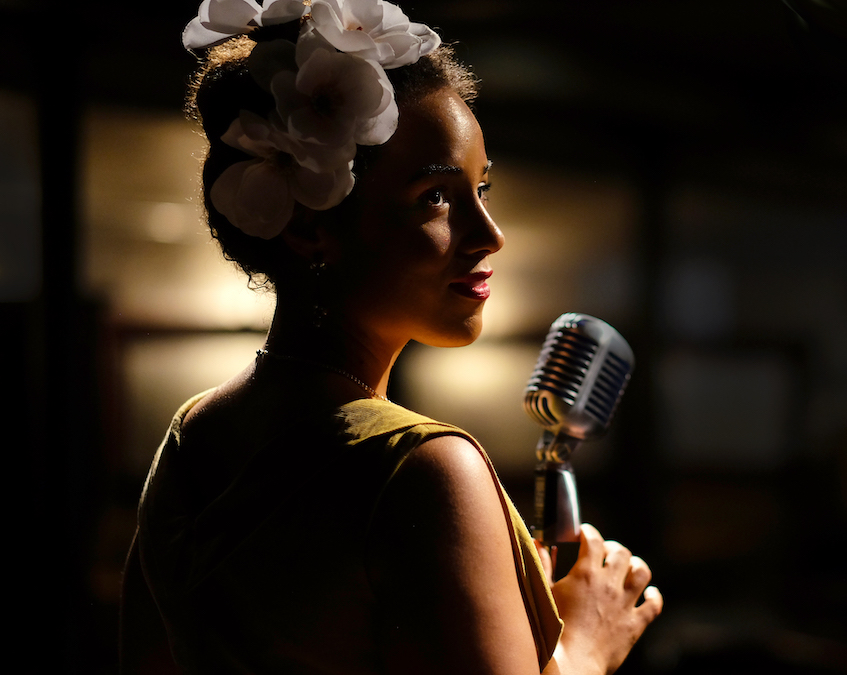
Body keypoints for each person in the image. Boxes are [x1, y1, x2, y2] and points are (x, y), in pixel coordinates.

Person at [120, 1, 663, 673]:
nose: (490, 235)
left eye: (482, 189)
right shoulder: (425, 469)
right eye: (436, 196)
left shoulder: (191, 437)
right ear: (309, 228)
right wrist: (585, 641)